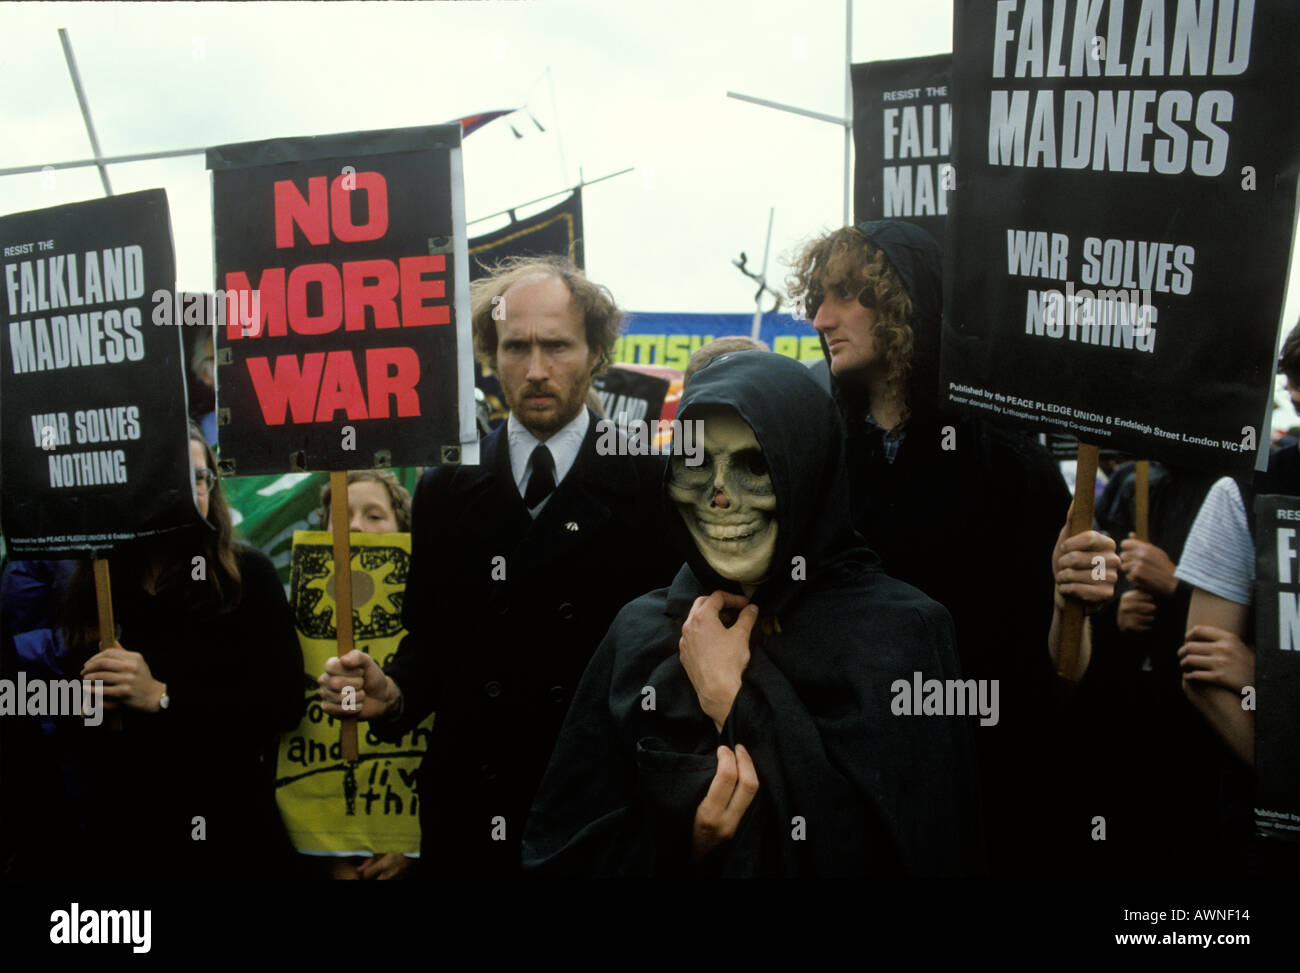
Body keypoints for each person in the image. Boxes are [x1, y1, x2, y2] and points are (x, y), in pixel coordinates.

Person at [523, 351, 981, 876]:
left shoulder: (899, 635)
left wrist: (733, 698)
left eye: (754, 465)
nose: (719, 497)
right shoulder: (640, 631)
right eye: (695, 463)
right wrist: (683, 846)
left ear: (808, 472)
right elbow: (561, 851)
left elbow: (913, 851)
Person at [318, 255, 679, 877]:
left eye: (557, 346)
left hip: (596, 815)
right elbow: (431, 641)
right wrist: (394, 692)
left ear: (596, 352)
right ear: (489, 355)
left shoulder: (650, 480)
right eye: (516, 347)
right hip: (471, 813)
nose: (536, 370)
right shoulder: (446, 485)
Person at [786, 219, 1117, 875]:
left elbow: (1058, 671)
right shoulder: (812, 449)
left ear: (906, 302)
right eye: (818, 297)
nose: (821, 317)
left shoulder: (1006, 461)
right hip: (839, 794)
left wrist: (1069, 597)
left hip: (980, 789)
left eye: (846, 293)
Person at [56, 423, 304, 879]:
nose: (193, 490)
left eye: (201, 477)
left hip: (229, 830)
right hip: (130, 834)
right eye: (176, 477)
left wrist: (164, 697)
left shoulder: (247, 575)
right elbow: (74, 718)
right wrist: (87, 699)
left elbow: (283, 704)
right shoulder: (102, 582)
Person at [289, 471, 416, 880]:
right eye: (341, 515)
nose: (356, 525)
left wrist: (412, 849)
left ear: (402, 528)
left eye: (374, 515)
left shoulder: (435, 615)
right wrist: (329, 853)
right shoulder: (286, 613)